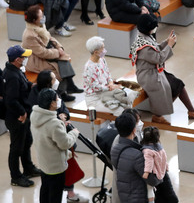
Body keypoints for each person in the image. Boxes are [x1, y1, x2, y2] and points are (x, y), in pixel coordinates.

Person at [27, 72, 88, 203]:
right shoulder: (54, 123)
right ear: (52, 104)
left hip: (44, 162)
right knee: (55, 194)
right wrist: (74, 133)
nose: (59, 100)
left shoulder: (35, 116)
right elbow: (64, 143)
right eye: (56, 99)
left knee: (45, 189)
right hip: (56, 166)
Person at [131, 14, 194, 124]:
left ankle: (192, 111)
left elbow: (156, 48)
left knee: (178, 84)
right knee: (168, 87)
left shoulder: (145, 36)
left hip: (154, 71)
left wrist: (167, 41)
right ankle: (157, 116)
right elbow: (159, 58)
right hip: (148, 76)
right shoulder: (144, 47)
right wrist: (169, 45)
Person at [22, 4, 83, 97]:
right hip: (35, 60)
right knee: (57, 67)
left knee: (65, 59)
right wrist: (58, 53)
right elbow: (41, 53)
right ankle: (61, 93)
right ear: (34, 20)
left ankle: (69, 87)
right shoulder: (29, 35)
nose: (43, 17)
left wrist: (59, 47)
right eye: (41, 16)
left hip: (46, 52)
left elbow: (50, 38)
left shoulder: (40, 26)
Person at [4, 45, 41, 188]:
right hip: (17, 118)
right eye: (24, 57)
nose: (26, 58)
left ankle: (28, 168)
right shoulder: (11, 76)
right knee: (16, 148)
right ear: (17, 59)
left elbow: (23, 84)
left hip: (23, 114)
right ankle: (16, 177)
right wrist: (22, 112)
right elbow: (11, 100)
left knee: (27, 141)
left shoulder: (16, 70)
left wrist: (31, 85)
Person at [83, 36, 130, 116]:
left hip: (107, 93)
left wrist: (111, 83)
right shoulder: (89, 67)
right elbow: (96, 87)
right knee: (120, 110)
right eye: (102, 48)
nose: (104, 50)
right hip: (95, 99)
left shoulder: (102, 59)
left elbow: (108, 74)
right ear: (95, 52)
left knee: (127, 102)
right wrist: (111, 87)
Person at [110, 112, 147, 203]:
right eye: (138, 121)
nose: (140, 123)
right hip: (129, 189)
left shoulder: (133, 137)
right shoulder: (120, 144)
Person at [140, 126, 178, 203]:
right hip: (162, 173)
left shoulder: (147, 150)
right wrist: (166, 167)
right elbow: (163, 158)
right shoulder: (159, 147)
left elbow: (149, 162)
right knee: (168, 192)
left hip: (156, 174)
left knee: (159, 192)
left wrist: (146, 172)